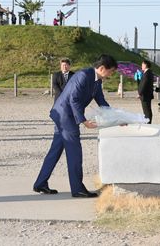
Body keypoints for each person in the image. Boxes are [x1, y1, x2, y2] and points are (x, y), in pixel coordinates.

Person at [33, 54, 118, 198]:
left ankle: (40, 183)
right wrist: (83, 121)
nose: (111, 74)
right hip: (65, 115)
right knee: (75, 152)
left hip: (66, 115)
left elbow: (101, 100)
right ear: (102, 68)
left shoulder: (97, 80)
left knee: (55, 150)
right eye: (111, 71)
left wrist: (116, 117)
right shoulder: (84, 75)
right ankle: (77, 189)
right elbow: (74, 100)